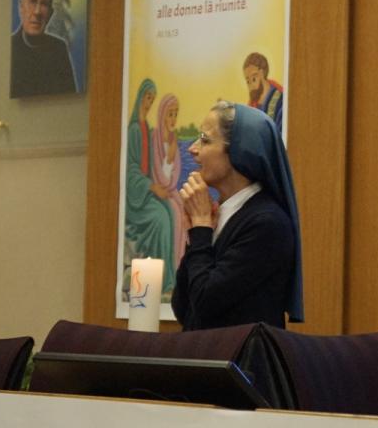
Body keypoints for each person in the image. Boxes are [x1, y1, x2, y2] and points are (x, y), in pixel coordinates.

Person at [172, 101, 303, 330]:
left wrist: (201, 227)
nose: (193, 149)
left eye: (205, 140)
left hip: (241, 353)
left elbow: (205, 304)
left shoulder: (267, 223)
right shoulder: (221, 214)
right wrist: (197, 233)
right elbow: (183, 308)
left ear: (239, 151)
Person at [124, 79, 175, 294]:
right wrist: (153, 188)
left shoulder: (147, 128)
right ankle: (159, 283)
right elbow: (132, 171)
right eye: (147, 98)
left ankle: (169, 279)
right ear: (140, 98)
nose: (149, 103)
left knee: (170, 211)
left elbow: (153, 166)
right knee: (160, 218)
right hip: (135, 198)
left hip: (146, 192)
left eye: (152, 99)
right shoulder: (135, 129)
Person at [10, 0, 78, 98]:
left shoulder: (59, 50)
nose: (37, 11)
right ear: (21, 6)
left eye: (44, 4)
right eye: (32, 0)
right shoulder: (8, 49)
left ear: (50, 13)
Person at [151, 93, 187, 282]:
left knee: (185, 213)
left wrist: (173, 156)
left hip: (170, 191)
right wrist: (169, 158)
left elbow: (173, 177)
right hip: (156, 194)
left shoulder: (173, 139)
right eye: (170, 114)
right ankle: (171, 274)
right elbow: (159, 175)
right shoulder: (155, 138)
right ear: (162, 115)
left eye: (176, 114)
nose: (173, 119)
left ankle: (181, 271)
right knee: (174, 215)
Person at [242, 52, 284, 134]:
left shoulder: (280, 100)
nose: (251, 85)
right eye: (248, 81)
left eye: (253, 79)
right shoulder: (252, 106)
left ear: (262, 73)